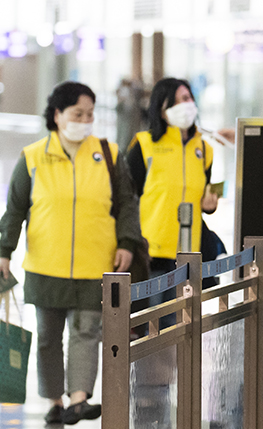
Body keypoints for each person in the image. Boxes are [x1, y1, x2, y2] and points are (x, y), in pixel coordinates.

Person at [0, 81, 140, 425]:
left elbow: (126, 204)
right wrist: (4, 250)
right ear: (58, 114)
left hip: (95, 263)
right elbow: (15, 209)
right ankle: (54, 401)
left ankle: (79, 399)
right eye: (78, 113)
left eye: (90, 113)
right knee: (48, 338)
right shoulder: (33, 157)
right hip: (45, 265)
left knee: (86, 333)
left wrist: (126, 242)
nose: (85, 120)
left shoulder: (108, 154)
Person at [126, 78, 218, 324]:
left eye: (187, 98)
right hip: (152, 252)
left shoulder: (204, 149)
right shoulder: (144, 145)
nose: (184, 105)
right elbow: (126, 198)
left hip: (190, 252)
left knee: (183, 328)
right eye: (176, 101)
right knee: (152, 329)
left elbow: (204, 194)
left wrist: (209, 205)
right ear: (161, 108)